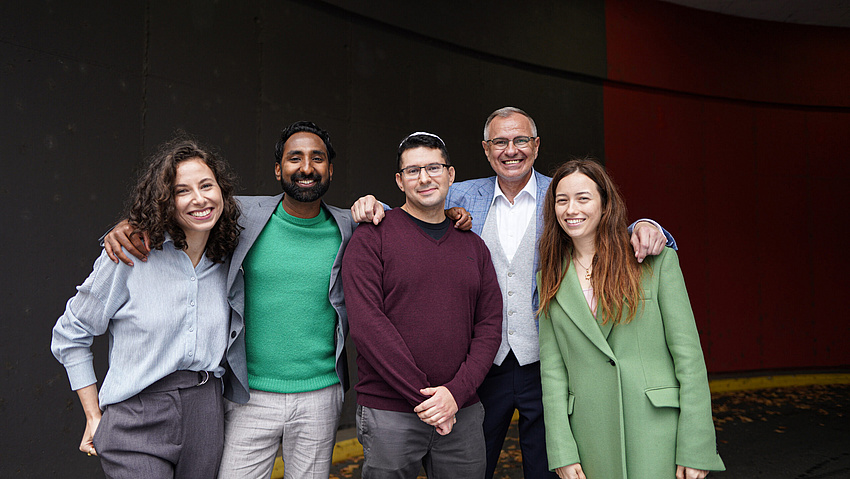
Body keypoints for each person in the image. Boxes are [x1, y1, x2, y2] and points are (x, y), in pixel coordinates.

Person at [101, 122, 472, 479]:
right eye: (295, 158)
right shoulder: (241, 215)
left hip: (320, 396)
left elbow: (416, 219)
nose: (306, 167)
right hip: (249, 397)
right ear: (278, 170)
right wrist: (127, 228)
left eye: (318, 158)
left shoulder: (352, 226)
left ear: (330, 170)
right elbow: (187, 211)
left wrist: (453, 217)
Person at [351, 106, 674, 478]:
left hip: (547, 360)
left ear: (536, 146)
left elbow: (602, 220)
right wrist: (369, 206)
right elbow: (413, 212)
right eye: (500, 142)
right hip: (480, 371)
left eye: (521, 140)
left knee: (547, 466)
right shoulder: (459, 193)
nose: (511, 150)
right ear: (486, 150)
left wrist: (647, 226)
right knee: (474, 465)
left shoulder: (561, 193)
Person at [51, 135, 242, 478]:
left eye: (206, 185)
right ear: (165, 200)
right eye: (183, 191)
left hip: (205, 415)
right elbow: (70, 333)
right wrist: (94, 416)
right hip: (137, 416)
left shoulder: (231, 257)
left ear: (222, 192)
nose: (199, 199)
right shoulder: (129, 256)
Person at [536, 158, 725, 479]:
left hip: (658, 433)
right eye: (562, 200)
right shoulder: (549, 277)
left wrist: (696, 447)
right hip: (590, 438)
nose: (571, 209)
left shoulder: (655, 261)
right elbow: (553, 372)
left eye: (583, 198)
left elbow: (689, 358)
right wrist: (561, 451)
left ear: (605, 204)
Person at [342, 132, 503, 478]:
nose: (425, 178)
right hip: (390, 412)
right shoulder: (371, 238)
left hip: (462, 412)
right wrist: (430, 400)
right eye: (413, 171)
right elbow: (368, 328)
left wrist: (454, 396)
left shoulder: (474, 247)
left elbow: (489, 327)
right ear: (399, 181)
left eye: (433, 167)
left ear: (451, 174)